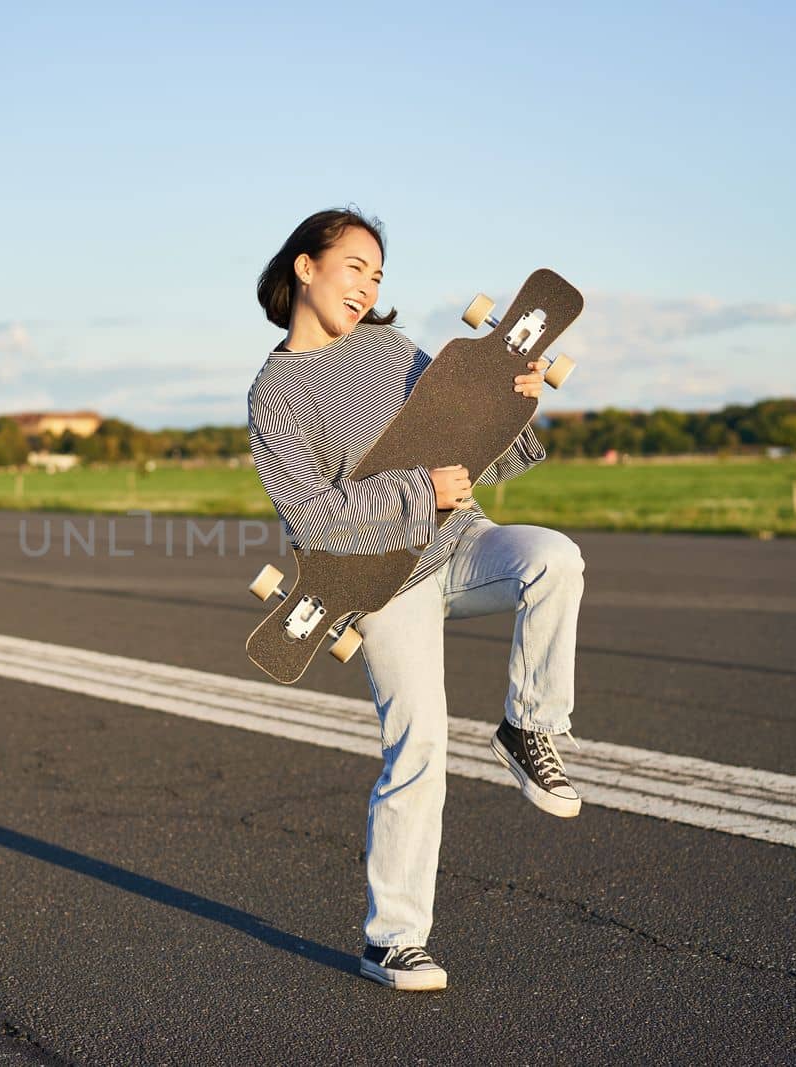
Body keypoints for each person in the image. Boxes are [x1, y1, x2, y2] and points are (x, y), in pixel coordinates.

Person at [247, 208, 585, 992]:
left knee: (554, 559)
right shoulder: (275, 396)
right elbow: (316, 517)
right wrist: (414, 490)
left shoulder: (392, 349)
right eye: (355, 266)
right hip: (379, 580)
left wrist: (517, 405)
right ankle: (393, 941)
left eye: (377, 275)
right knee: (419, 747)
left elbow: (468, 440)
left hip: (462, 543)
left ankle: (528, 727)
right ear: (306, 267)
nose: (366, 286)